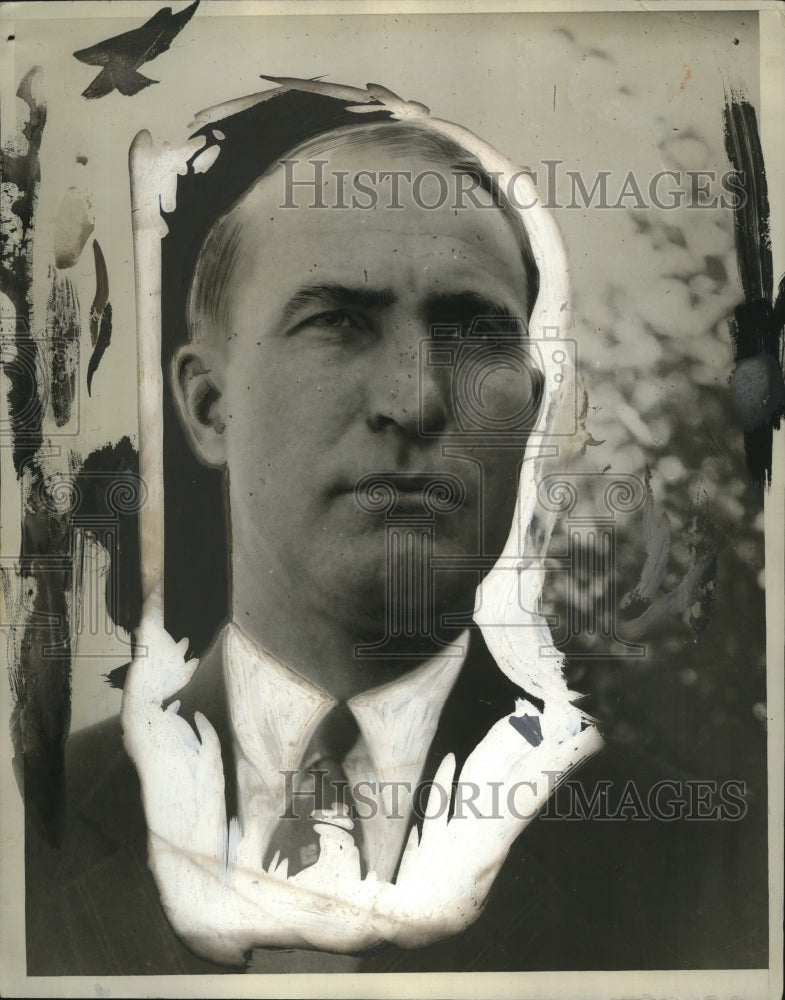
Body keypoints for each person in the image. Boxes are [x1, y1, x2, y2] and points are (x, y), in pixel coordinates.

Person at [24, 80, 767, 976]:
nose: (414, 401)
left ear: (527, 413)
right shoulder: (31, 834)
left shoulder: (713, 871)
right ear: (210, 406)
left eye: (472, 334)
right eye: (337, 322)